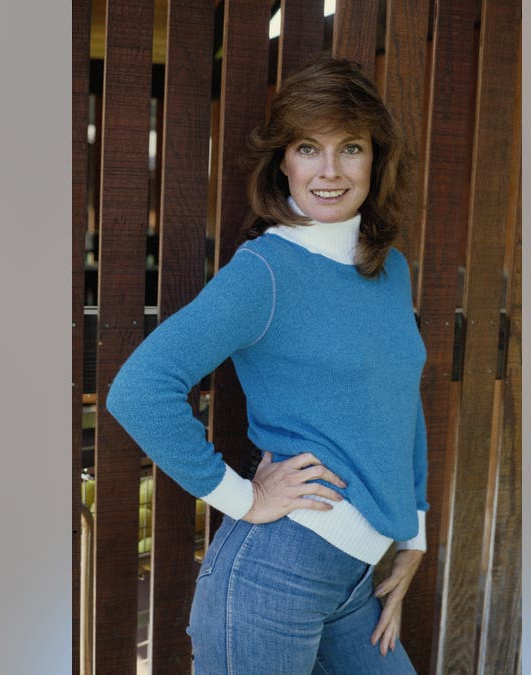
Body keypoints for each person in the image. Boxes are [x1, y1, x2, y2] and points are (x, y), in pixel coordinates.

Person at [107, 56, 427, 674]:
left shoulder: (390, 269)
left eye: (351, 148)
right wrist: (243, 499)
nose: (330, 171)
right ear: (284, 161)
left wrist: (412, 535)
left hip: (355, 582)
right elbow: (140, 389)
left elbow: (400, 403)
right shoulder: (266, 272)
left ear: (375, 159)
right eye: (309, 148)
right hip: (272, 580)